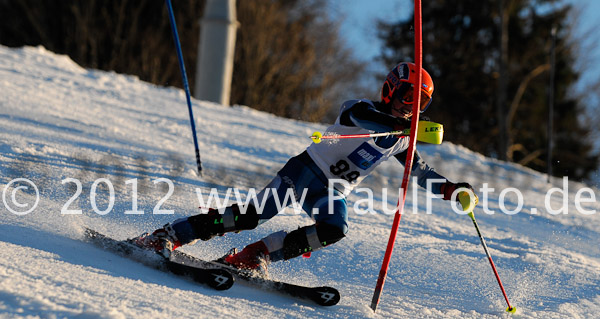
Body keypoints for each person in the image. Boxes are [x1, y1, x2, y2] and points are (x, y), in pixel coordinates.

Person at [133, 62, 478, 270]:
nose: (411, 107)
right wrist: (407, 126)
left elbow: (418, 172)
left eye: (420, 103)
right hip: (304, 171)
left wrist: (452, 189)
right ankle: (169, 235)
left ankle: (256, 256)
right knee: (253, 216)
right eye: (407, 97)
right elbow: (365, 119)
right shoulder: (357, 108)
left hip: (331, 190)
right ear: (390, 90)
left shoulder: (403, 138)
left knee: (334, 228)